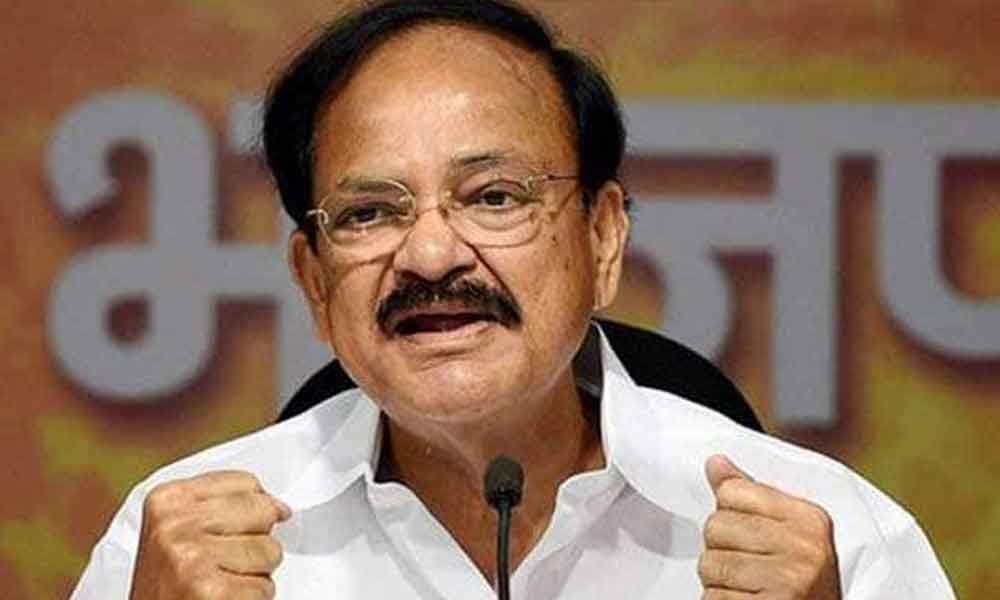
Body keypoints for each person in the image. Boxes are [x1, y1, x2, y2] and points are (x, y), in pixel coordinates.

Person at [71, 1, 955, 598]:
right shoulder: (173, 545)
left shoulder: (837, 536)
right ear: (313, 279)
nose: (429, 254)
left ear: (602, 239)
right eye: (370, 212)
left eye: (493, 197)